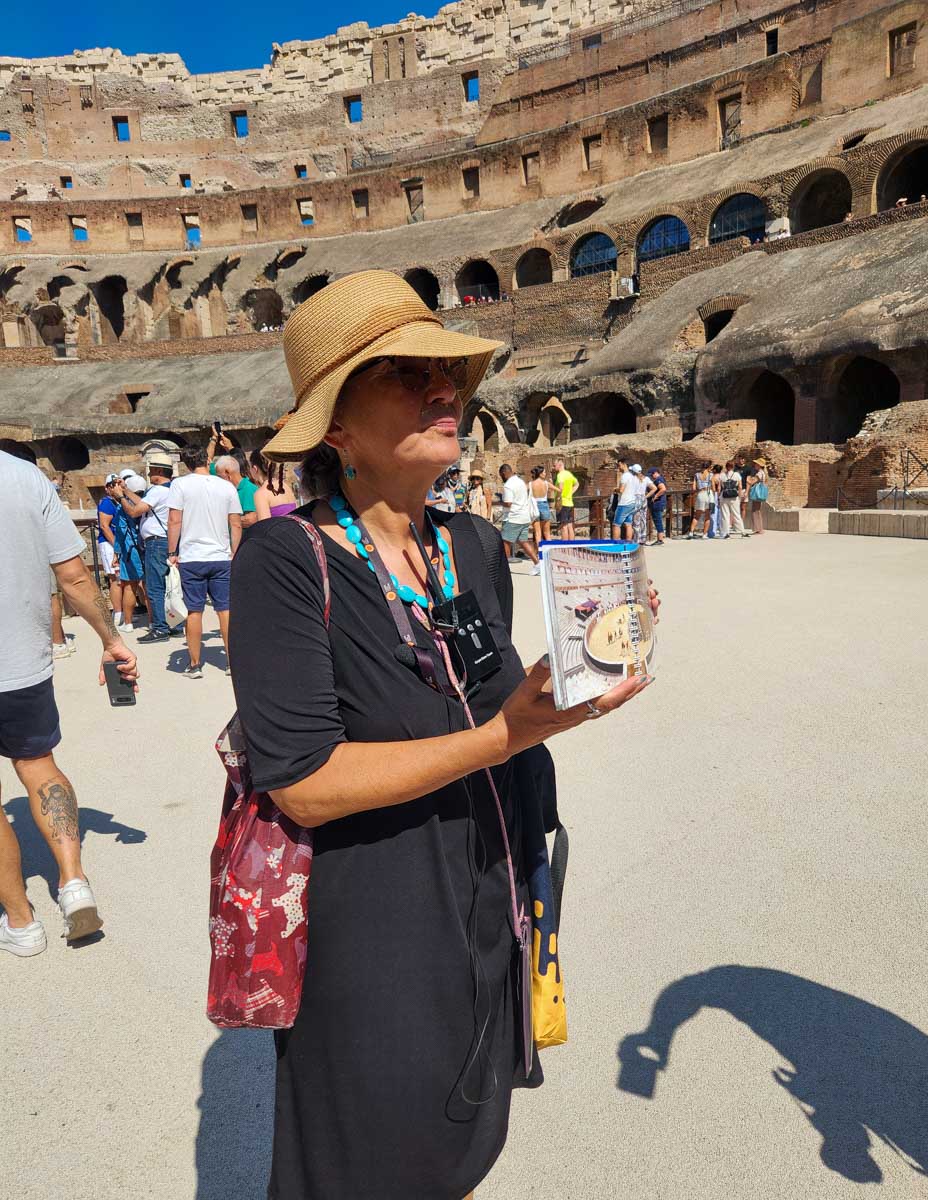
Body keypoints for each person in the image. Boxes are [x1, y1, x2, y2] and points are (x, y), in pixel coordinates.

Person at [227, 269, 657, 1200]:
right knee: (377, 1152)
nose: (443, 391)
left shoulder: (468, 544)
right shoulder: (284, 563)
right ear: (335, 429)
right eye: (404, 374)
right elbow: (303, 781)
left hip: (487, 882)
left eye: (449, 374)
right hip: (371, 920)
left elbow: (499, 695)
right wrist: (504, 735)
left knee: (464, 1135)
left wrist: (579, 675)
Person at [0, 449, 138, 956]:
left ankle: (21, 923)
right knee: (39, 764)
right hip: (21, 663)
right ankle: (74, 882)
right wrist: (112, 639)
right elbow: (75, 577)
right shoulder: (23, 478)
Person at [167, 444, 242, 680]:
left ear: (186, 464)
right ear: (206, 461)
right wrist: (233, 551)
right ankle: (233, 662)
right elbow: (236, 523)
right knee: (225, 609)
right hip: (221, 556)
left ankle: (195, 664)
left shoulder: (180, 484)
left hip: (192, 556)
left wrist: (172, 551)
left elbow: (174, 520)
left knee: (194, 611)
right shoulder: (226, 486)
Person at [114, 453, 177, 643]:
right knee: (171, 585)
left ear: (158, 471)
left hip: (156, 542)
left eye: (151, 470)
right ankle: (175, 623)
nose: (149, 473)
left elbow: (134, 510)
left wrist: (120, 498)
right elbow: (145, 503)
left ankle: (159, 628)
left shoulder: (158, 491)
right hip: (168, 541)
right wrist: (126, 491)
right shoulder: (171, 489)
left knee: (155, 586)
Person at [105, 474, 146, 632]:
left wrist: (117, 552)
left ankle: (128, 623)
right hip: (146, 546)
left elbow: (121, 532)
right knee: (149, 585)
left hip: (130, 549)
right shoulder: (147, 503)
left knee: (130, 586)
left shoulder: (123, 507)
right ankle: (152, 621)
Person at [499, 463, 540, 573]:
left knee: (505, 542)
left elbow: (508, 503)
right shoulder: (520, 482)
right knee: (523, 541)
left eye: (501, 475)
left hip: (513, 518)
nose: (501, 478)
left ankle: (504, 570)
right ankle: (537, 563)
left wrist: (499, 502)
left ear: (504, 473)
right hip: (524, 517)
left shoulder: (508, 485)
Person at [97, 474, 123, 624]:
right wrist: (117, 547)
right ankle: (118, 613)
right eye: (111, 485)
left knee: (121, 578)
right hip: (109, 543)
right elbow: (104, 526)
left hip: (116, 542)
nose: (115, 487)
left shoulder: (118, 502)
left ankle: (123, 611)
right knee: (115, 578)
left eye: (116, 484)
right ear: (107, 488)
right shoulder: (107, 503)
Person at [250, 447, 299, 520]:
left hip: (278, 531)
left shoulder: (261, 494)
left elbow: (265, 527)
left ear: (255, 468)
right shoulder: (285, 486)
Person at [215, 455, 258, 528]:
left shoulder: (248, 489)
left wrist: (222, 519)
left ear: (227, 472)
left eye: (219, 476)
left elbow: (250, 520)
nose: (218, 480)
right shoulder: (229, 490)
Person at [611, 457, 642, 542]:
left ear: (624, 464)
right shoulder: (632, 476)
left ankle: (615, 544)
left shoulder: (624, 476)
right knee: (628, 524)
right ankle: (629, 543)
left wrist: (615, 489)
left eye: (619, 465)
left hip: (624, 504)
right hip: (632, 503)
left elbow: (621, 490)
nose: (618, 467)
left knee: (616, 525)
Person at [719, 461, 749, 538]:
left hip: (724, 496)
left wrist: (719, 496)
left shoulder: (722, 475)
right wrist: (739, 496)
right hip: (734, 497)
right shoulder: (736, 475)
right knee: (736, 514)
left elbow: (720, 487)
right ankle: (742, 531)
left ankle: (726, 533)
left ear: (726, 467)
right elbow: (740, 487)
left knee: (725, 515)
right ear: (733, 467)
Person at [529, 464, 556, 546]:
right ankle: (549, 553)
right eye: (544, 472)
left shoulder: (530, 484)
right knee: (547, 533)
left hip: (534, 507)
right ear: (540, 473)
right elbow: (559, 490)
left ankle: (539, 554)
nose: (545, 474)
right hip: (544, 506)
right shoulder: (546, 483)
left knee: (538, 533)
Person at [686, 461, 715, 539]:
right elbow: (713, 487)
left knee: (697, 515)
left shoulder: (697, 475)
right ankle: (704, 534)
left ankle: (691, 532)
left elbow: (694, 488)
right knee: (707, 516)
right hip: (708, 494)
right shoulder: (711, 475)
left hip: (700, 494)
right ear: (708, 467)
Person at [554, 457, 579, 539]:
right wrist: (570, 492)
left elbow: (561, 488)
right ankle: (571, 545)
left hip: (562, 503)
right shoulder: (569, 474)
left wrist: (552, 488)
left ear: (560, 465)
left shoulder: (560, 475)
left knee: (563, 526)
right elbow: (577, 484)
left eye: (555, 465)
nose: (554, 467)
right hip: (569, 502)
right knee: (569, 525)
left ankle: (564, 546)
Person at [748, 456, 768, 534]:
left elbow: (752, 482)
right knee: (758, 510)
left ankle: (757, 529)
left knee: (755, 510)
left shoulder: (759, 473)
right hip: (760, 493)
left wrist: (748, 479)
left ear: (759, 465)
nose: (755, 465)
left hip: (757, 493)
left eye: (756, 464)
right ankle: (760, 528)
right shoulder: (763, 472)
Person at [648, 468, 668, 545]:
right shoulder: (660, 479)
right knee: (658, 520)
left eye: (652, 474)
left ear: (656, 473)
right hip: (660, 503)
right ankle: (660, 539)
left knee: (658, 521)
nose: (652, 476)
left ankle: (660, 540)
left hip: (657, 503)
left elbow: (663, 489)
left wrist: (655, 496)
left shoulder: (658, 480)